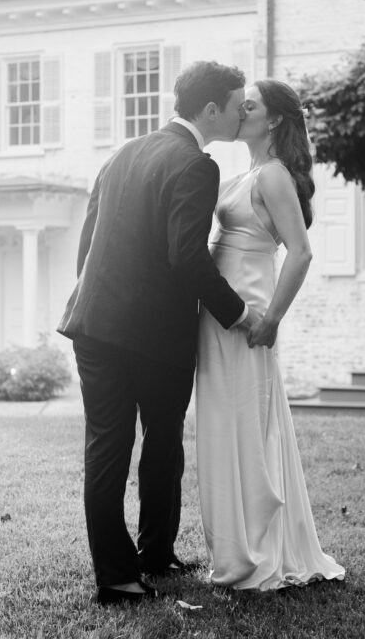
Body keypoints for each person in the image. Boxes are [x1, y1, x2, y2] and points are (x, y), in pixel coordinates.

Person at [57, 60, 264, 606]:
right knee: (160, 443)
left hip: (93, 324)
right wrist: (239, 313)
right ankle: (126, 574)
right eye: (238, 103)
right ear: (211, 109)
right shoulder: (197, 165)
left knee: (113, 447)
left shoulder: (123, 151)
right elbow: (186, 259)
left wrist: (93, 299)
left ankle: (147, 558)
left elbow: (88, 240)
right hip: (152, 335)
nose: (244, 111)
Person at [196, 79, 346, 590]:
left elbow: (300, 253)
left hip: (249, 320)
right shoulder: (247, 173)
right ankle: (236, 546)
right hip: (222, 316)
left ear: (275, 119)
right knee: (225, 424)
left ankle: (257, 551)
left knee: (247, 429)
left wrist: (272, 320)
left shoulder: (276, 176)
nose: (241, 111)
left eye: (251, 106)